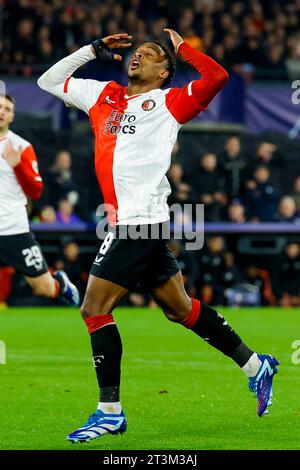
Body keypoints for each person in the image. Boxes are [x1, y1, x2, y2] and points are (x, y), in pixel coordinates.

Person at [38, 29, 279, 443]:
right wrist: (92, 50)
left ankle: (109, 411)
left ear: (165, 72)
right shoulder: (103, 96)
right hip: (129, 221)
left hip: (139, 220)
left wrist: (185, 50)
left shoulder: (170, 102)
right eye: (137, 52)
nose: (138, 57)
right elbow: (48, 81)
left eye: (150, 55)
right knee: (179, 309)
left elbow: (217, 78)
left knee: (93, 309)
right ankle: (257, 366)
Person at [0, 94, 79, 306]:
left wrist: (17, 166)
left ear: (12, 116)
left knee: (43, 288)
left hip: (12, 229)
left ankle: (60, 284)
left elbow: (35, 191)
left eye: (7, 109)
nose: (2, 112)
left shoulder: (20, 147)